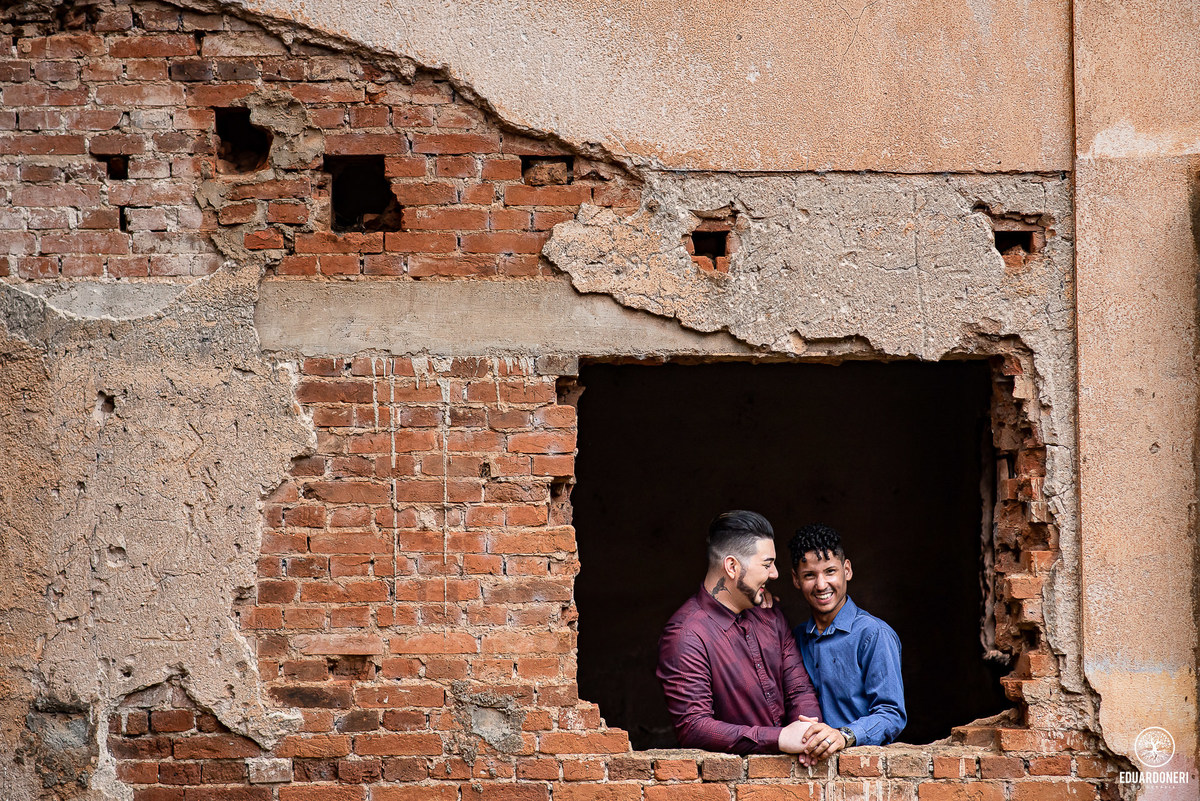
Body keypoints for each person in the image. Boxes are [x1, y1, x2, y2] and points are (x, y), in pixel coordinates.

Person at [657, 510, 822, 754]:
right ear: (732, 566)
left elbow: (799, 689)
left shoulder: (770, 613)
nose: (775, 573)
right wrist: (779, 739)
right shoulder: (686, 635)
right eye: (767, 564)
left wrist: (810, 738)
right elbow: (694, 727)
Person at [787, 523, 906, 763]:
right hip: (803, 772)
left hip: (860, 772)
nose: (821, 585)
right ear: (796, 580)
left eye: (830, 571)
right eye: (809, 575)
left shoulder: (874, 635)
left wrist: (844, 735)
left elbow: (891, 714)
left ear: (847, 570)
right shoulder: (796, 638)